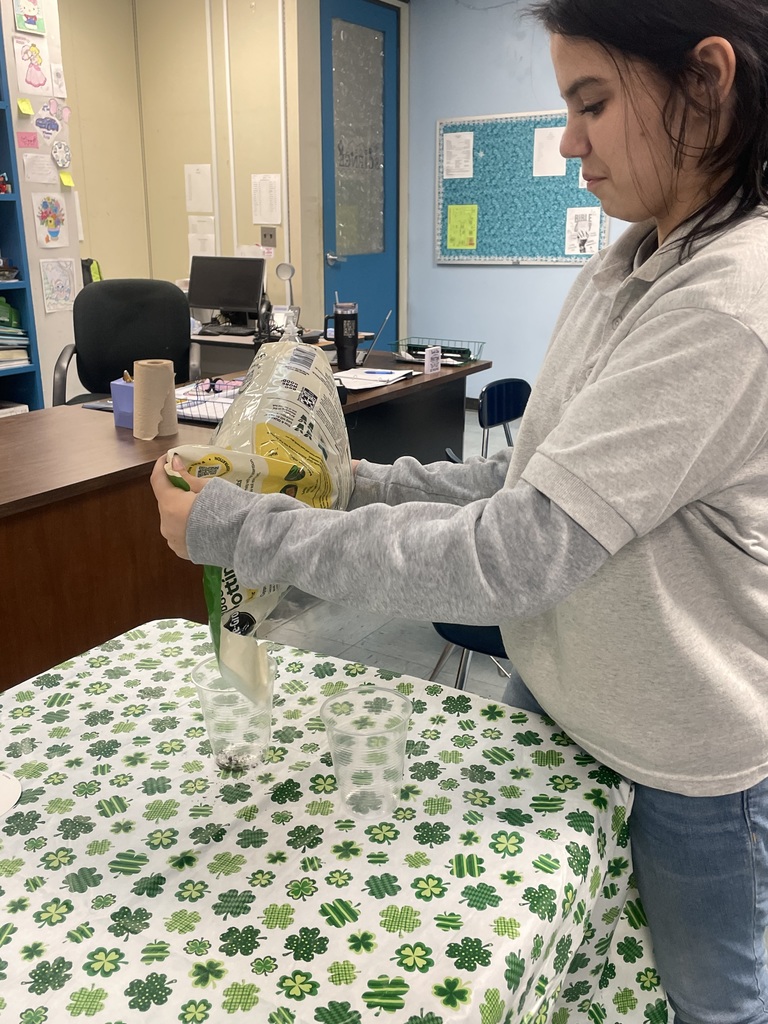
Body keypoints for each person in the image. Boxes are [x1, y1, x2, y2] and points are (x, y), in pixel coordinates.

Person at [151, 1, 768, 1019]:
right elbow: (522, 478)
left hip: (688, 757)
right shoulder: (627, 266)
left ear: (706, 83)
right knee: (601, 968)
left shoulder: (726, 304)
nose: (568, 139)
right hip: (575, 705)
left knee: (713, 995)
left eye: (593, 102)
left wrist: (240, 530)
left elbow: (517, 550)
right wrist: (339, 486)